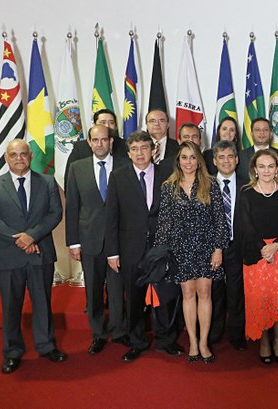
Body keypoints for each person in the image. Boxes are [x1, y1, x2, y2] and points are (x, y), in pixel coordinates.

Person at [0, 139, 66, 374]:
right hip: (9, 257)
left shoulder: (48, 182)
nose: (19, 158)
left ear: (30, 156)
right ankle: (12, 352)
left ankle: (46, 346)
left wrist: (32, 236)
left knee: (42, 303)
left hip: (41, 253)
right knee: (11, 306)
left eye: (23, 154)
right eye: (13, 154)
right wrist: (19, 239)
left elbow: (55, 214)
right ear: (6, 158)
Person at [105, 131, 181, 362]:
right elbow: (112, 216)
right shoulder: (118, 177)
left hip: (161, 248)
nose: (140, 153)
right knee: (135, 298)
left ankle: (166, 340)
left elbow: (174, 212)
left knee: (164, 297)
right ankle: (137, 342)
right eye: (135, 149)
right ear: (128, 154)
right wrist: (113, 252)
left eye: (144, 148)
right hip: (130, 249)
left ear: (153, 150)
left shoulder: (167, 174)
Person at [154, 142, 227, 363]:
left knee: (205, 293)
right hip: (180, 248)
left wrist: (218, 249)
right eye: (184, 157)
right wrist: (161, 253)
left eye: (192, 157)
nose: (188, 162)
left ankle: (204, 343)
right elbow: (164, 222)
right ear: (178, 161)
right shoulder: (169, 186)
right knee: (188, 295)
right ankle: (193, 342)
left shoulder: (211, 184)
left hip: (206, 247)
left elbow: (219, 220)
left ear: (199, 161)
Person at [65, 125, 130, 355]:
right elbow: (72, 206)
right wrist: (73, 242)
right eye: (95, 140)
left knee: (116, 288)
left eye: (104, 140)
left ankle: (119, 331)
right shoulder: (77, 168)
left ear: (111, 142)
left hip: (118, 241)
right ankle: (98, 334)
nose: (100, 144)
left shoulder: (124, 165)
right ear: (89, 142)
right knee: (92, 290)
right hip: (89, 239)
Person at [236, 149, 278, 364]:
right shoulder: (246, 193)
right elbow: (246, 226)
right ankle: (264, 340)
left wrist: (277, 246)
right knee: (260, 301)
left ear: (277, 169)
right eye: (261, 166)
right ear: (254, 169)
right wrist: (264, 249)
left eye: (270, 166)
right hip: (256, 255)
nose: (266, 170)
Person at [208, 140, 250, 350]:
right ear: (215, 161)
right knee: (214, 291)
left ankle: (236, 333)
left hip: (237, 247)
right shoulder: (205, 185)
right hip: (211, 248)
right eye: (221, 157)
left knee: (236, 292)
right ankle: (215, 331)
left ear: (237, 160)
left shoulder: (247, 184)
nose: (226, 161)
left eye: (230, 156)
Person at [65, 109, 127, 179]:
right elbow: (69, 177)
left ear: (115, 126)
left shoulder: (125, 145)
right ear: (94, 125)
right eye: (103, 122)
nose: (107, 126)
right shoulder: (80, 147)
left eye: (111, 123)